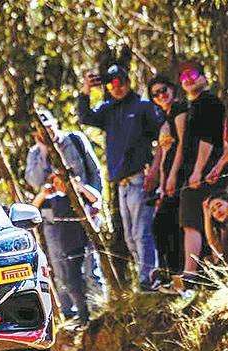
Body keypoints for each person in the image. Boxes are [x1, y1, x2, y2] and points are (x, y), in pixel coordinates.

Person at [78, 64, 164, 290]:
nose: (117, 87)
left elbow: (162, 138)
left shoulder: (143, 106)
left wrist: (155, 170)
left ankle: (149, 278)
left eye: (120, 82)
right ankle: (145, 280)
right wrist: (86, 89)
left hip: (140, 179)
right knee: (129, 237)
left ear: (128, 82)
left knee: (142, 233)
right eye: (111, 84)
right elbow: (85, 117)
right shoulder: (108, 110)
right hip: (121, 184)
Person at [25, 109, 104, 317]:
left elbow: (95, 172)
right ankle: (72, 313)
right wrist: (44, 152)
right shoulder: (35, 154)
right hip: (52, 216)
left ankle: (99, 310)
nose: (46, 133)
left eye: (48, 128)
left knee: (90, 265)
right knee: (61, 266)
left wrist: (96, 203)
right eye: (41, 131)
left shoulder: (75, 140)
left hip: (83, 210)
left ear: (56, 124)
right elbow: (35, 182)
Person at [161, 60, 227, 294]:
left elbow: (208, 138)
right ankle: (196, 276)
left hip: (205, 174)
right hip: (197, 173)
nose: (187, 80)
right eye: (183, 77)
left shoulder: (208, 102)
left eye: (192, 74)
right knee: (195, 223)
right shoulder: (193, 106)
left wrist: (199, 170)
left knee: (199, 223)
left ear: (204, 78)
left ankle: (192, 276)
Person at [32, 173, 102, 324]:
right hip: (66, 246)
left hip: (82, 243)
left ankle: (92, 312)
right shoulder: (54, 200)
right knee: (71, 281)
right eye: (55, 183)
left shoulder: (78, 196)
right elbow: (34, 207)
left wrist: (79, 186)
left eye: (61, 182)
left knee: (87, 276)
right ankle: (83, 315)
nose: (58, 185)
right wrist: (43, 193)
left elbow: (95, 199)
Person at [148, 75, 188, 276]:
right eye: (155, 94)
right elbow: (164, 155)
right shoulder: (165, 118)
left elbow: (182, 145)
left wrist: (173, 175)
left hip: (181, 176)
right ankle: (169, 274)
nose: (161, 95)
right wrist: (162, 184)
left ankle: (176, 273)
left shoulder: (180, 110)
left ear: (172, 88)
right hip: (168, 180)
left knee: (167, 225)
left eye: (163, 90)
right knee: (162, 226)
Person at [202, 190, 228, 261]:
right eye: (213, 210)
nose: (218, 211)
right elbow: (215, 247)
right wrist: (207, 217)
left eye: (219, 205)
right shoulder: (223, 232)